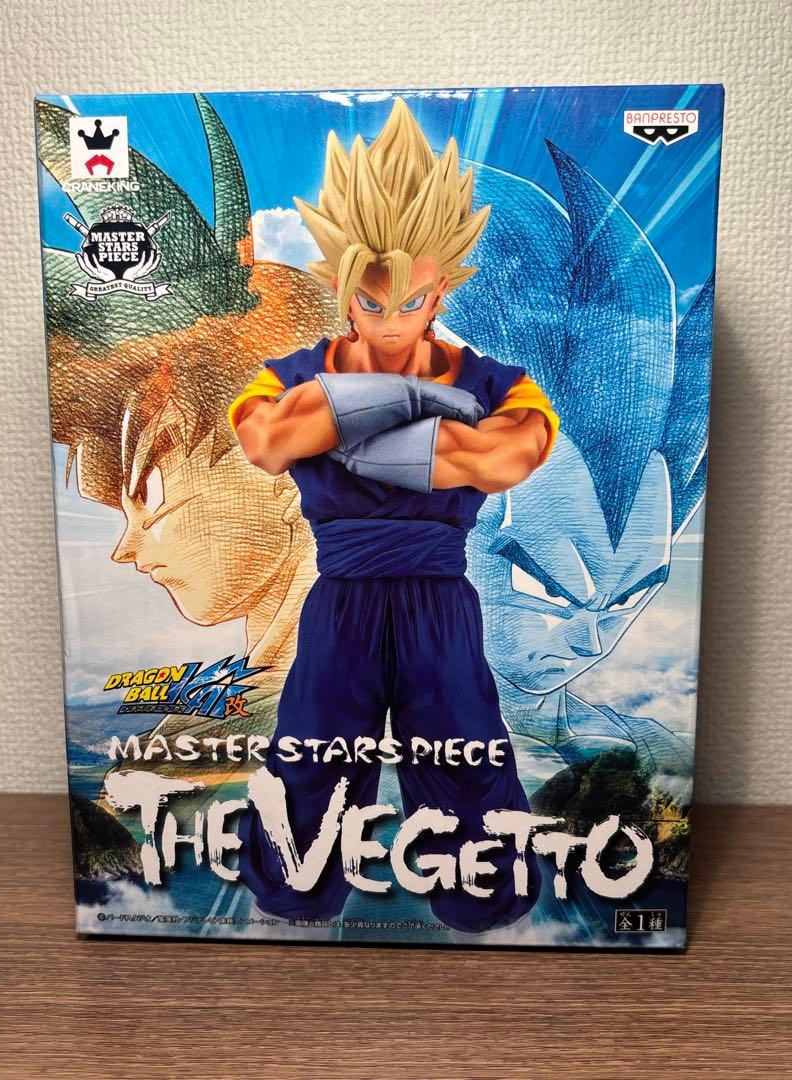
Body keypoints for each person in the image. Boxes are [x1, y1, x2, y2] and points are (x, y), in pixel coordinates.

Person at [229, 98, 558, 933]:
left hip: (439, 601)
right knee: (312, 758)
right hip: (340, 598)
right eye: (369, 304)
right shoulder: (284, 373)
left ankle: (485, 901)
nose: (388, 324)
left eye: (410, 302)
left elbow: (505, 459)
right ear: (342, 289)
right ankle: (293, 899)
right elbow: (267, 440)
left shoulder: (502, 382)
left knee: (465, 756)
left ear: (441, 288)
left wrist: (341, 427)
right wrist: (420, 402)